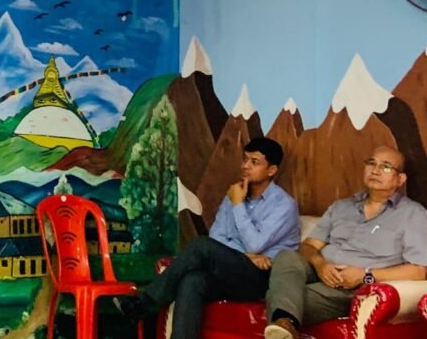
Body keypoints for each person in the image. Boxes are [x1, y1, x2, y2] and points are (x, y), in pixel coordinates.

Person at [116, 137, 300, 339]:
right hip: (234, 271)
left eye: (254, 162)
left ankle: (145, 303)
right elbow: (217, 237)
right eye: (245, 159)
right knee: (193, 280)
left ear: (271, 170)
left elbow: (255, 244)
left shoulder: (284, 205)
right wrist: (245, 255)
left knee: (201, 246)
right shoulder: (234, 194)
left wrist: (238, 205)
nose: (245, 166)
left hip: (265, 278)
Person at [264, 146, 427, 339]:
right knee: (286, 257)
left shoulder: (414, 215)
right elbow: (309, 246)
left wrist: (365, 275)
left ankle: (285, 322)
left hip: (355, 287)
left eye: (385, 167)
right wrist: (320, 265)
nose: (375, 170)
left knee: (280, 297)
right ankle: (285, 323)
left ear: (400, 179)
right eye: (371, 163)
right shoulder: (342, 206)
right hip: (320, 272)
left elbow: (418, 271)